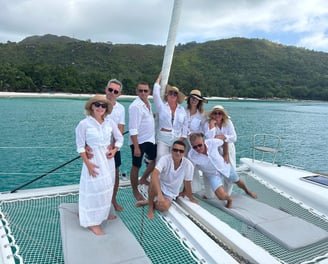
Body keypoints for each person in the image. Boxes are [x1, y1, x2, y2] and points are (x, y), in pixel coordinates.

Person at [75, 95, 124, 235]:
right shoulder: (84, 124)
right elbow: (80, 147)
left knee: (107, 188)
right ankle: (91, 222)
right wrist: (88, 164)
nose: (100, 108)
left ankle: (102, 214)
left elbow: (119, 138)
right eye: (97, 105)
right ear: (91, 106)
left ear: (107, 109)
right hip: (94, 161)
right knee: (94, 189)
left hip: (108, 160)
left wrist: (115, 150)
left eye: (103, 106)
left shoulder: (110, 123)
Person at [188, 133, 257, 208]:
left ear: (204, 141)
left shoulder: (211, 142)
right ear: (192, 146)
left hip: (223, 166)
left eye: (199, 145)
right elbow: (189, 172)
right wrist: (187, 191)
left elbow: (225, 140)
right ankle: (229, 199)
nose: (198, 148)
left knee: (237, 181)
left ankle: (247, 191)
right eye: (195, 147)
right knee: (220, 196)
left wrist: (225, 154)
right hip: (213, 174)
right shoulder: (192, 156)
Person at [135, 141, 196, 219]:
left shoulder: (188, 165)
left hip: (171, 192)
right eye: (175, 150)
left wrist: (191, 197)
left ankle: (149, 202)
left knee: (164, 207)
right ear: (171, 150)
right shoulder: (165, 159)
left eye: (181, 151)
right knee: (154, 179)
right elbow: (155, 174)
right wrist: (160, 195)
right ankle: (150, 207)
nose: (178, 153)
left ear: (184, 153)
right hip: (160, 186)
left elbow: (187, 183)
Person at [128, 82, 157, 201]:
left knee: (156, 159)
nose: (143, 93)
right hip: (139, 142)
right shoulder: (135, 106)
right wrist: (136, 147)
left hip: (150, 139)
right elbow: (133, 128)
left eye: (145, 91)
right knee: (136, 166)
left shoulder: (147, 103)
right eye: (141, 91)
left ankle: (144, 178)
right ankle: (135, 190)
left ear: (149, 92)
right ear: (137, 91)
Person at [153, 73, 188, 160]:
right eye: (170, 93)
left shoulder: (182, 110)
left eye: (175, 94)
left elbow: (185, 125)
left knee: (173, 160)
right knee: (161, 157)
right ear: (167, 95)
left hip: (177, 138)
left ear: (177, 97)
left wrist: (182, 138)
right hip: (163, 138)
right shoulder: (161, 107)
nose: (172, 95)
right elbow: (156, 94)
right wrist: (159, 78)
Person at [105, 79, 125, 211]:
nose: (112, 93)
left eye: (115, 91)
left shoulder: (121, 109)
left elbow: (120, 129)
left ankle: (113, 199)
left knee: (115, 174)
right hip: (98, 147)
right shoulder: (97, 103)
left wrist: (114, 146)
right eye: (110, 89)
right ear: (106, 89)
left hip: (113, 147)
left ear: (119, 94)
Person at [185, 89, 208, 192]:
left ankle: (194, 189)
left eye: (196, 99)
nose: (194, 101)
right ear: (189, 99)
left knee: (193, 165)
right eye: (192, 98)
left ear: (199, 102)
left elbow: (204, 129)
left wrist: (197, 134)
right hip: (184, 141)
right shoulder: (183, 111)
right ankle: (186, 187)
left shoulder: (202, 115)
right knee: (184, 164)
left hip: (195, 144)